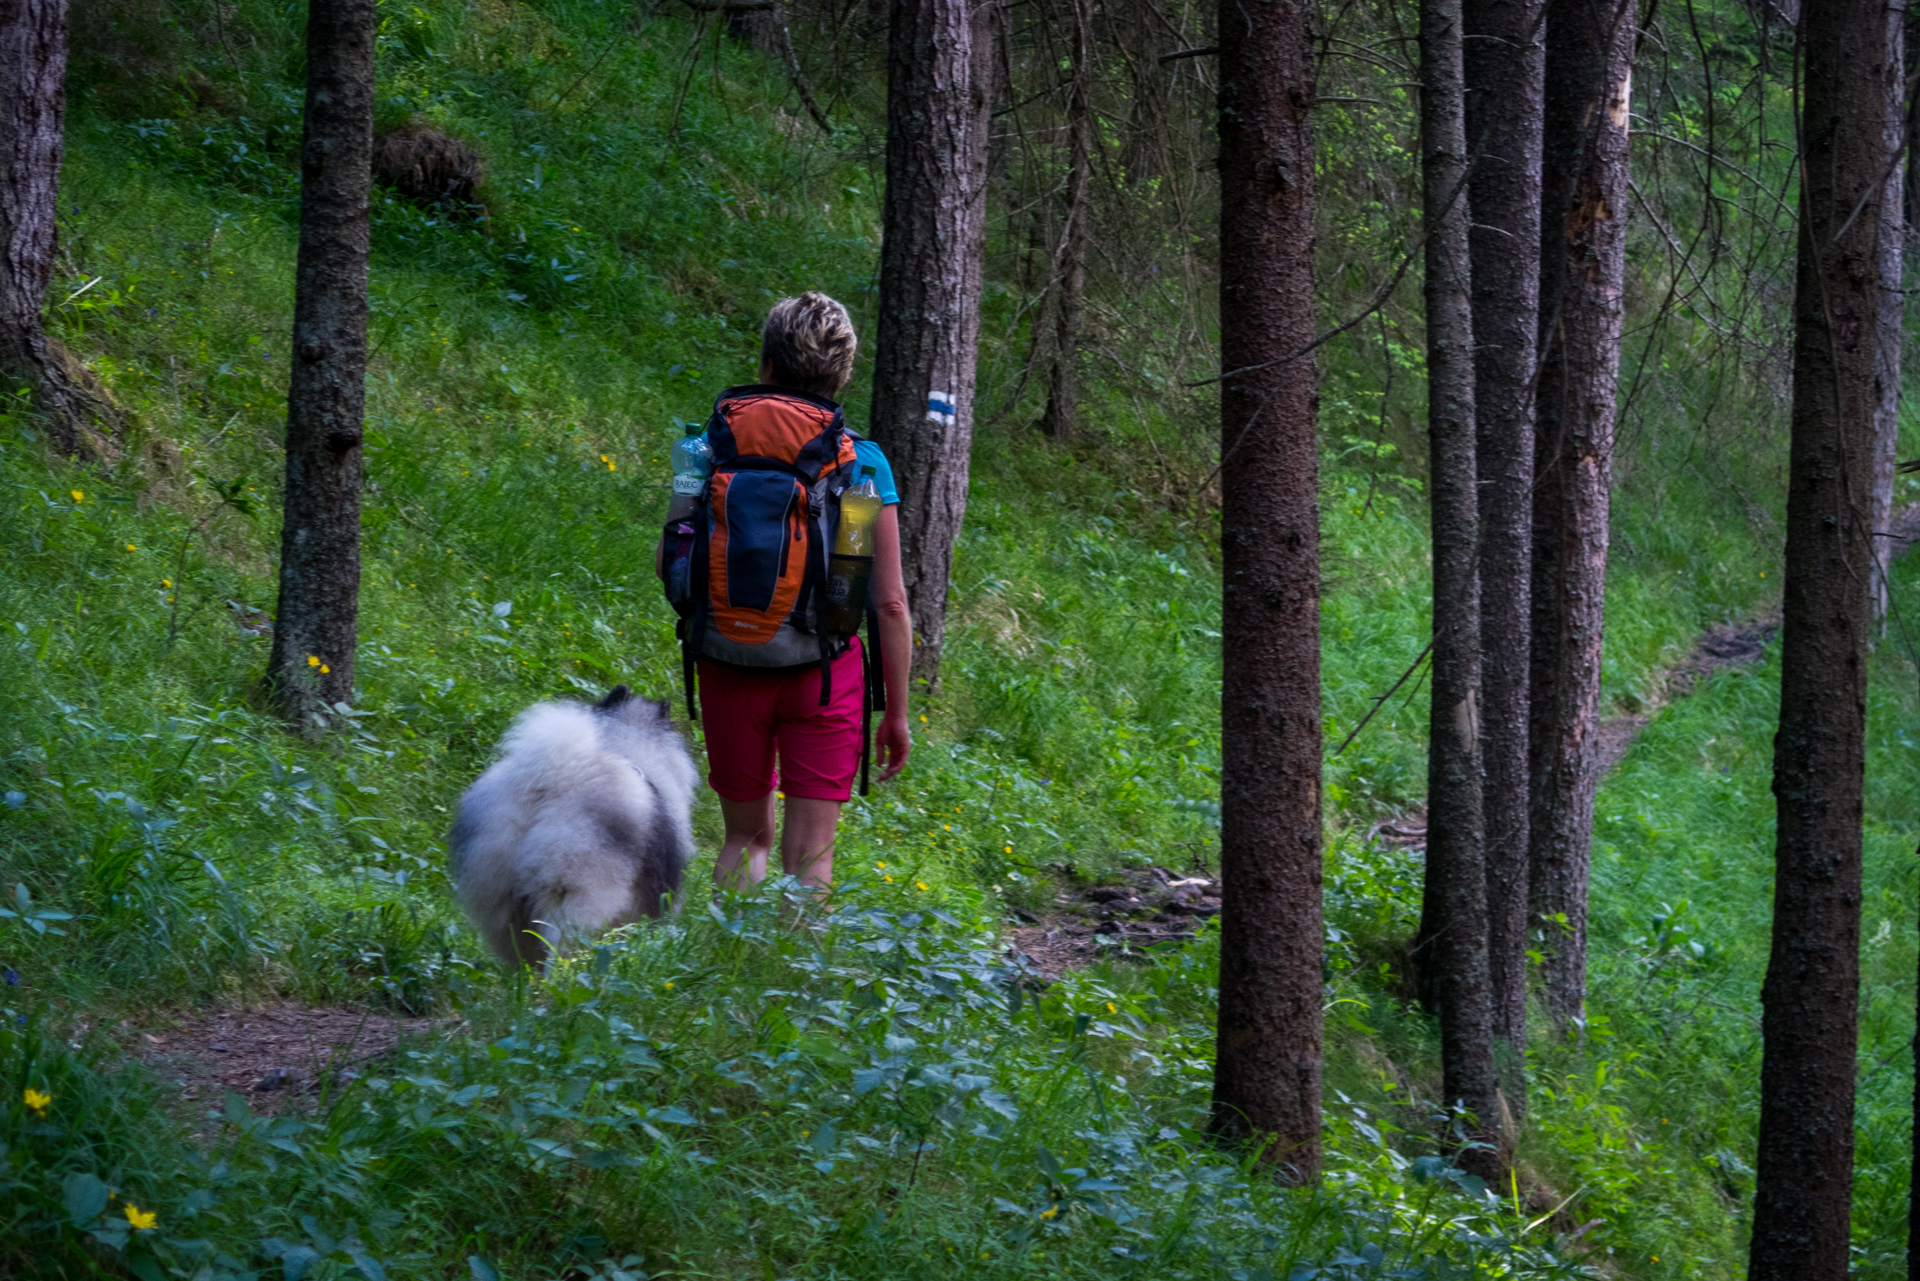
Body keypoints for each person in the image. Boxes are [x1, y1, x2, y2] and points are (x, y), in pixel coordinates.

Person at [690, 292, 912, 890]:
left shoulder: (711, 445)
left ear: (765, 363)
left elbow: (674, 554)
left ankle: (726, 974)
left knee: (743, 838)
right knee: (810, 856)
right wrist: (895, 712)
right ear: (840, 375)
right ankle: (797, 978)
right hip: (824, 673)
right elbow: (885, 600)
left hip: (729, 654)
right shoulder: (862, 465)